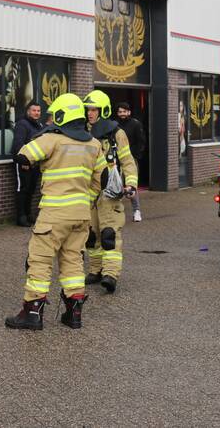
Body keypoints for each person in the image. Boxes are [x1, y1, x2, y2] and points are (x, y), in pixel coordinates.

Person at [5, 93, 104, 331]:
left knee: (40, 260)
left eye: (53, 116)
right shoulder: (94, 144)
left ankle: (32, 313)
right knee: (73, 261)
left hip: (54, 213)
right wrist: (86, 202)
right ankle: (73, 314)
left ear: (61, 115)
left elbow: (23, 155)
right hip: (80, 214)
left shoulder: (52, 139)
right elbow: (101, 180)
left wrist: (43, 133)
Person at [83, 90, 138, 294]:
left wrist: (131, 184)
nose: (90, 113)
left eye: (94, 110)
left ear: (103, 110)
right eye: (88, 109)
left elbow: (128, 161)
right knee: (91, 235)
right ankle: (95, 270)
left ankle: (111, 274)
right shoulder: (82, 132)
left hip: (109, 192)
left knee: (109, 234)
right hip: (89, 193)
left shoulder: (117, 133)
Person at [10, 101, 43, 227]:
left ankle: (29, 214)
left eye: (38, 111)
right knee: (22, 190)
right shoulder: (22, 125)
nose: (36, 113)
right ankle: (21, 217)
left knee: (31, 190)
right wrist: (23, 161)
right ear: (28, 111)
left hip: (35, 165)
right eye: (34, 110)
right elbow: (18, 145)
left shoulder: (38, 125)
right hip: (23, 164)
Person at [116, 101, 146, 221]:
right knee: (116, 185)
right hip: (116, 160)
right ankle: (116, 210)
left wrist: (135, 156)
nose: (122, 114)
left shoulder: (135, 124)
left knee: (131, 186)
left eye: (124, 111)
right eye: (120, 112)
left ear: (129, 112)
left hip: (131, 159)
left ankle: (137, 211)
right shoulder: (114, 125)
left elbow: (141, 141)